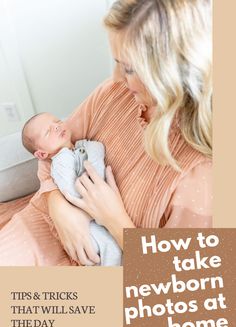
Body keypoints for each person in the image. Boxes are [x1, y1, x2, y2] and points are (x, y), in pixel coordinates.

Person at [0, 0, 212, 266]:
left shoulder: (201, 175)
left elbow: (180, 285)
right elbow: (49, 151)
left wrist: (115, 221)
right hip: (43, 226)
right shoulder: (113, 93)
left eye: (130, 69)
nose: (115, 77)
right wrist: (59, 206)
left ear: (174, 73)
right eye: (116, 62)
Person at [21, 112, 122, 266]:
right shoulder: (60, 162)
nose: (57, 126)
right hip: (86, 221)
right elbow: (73, 192)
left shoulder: (80, 148)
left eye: (57, 121)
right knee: (109, 248)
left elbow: (98, 151)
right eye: (48, 131)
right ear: (42, 154)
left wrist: (87, 150)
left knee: (112, 246)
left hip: (99, 212)